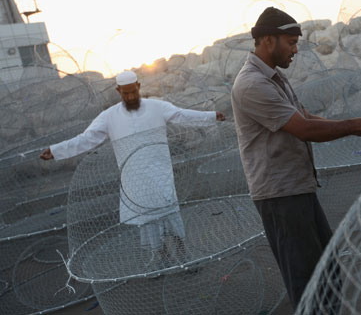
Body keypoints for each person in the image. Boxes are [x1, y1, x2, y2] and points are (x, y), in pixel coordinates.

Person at [231, 7, 361, 309]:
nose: (295, 49)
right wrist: (358, 126)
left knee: (326, 272)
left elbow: (302, 116)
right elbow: (302, 128)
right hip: (280, 196)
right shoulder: (252, 84)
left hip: (297, 188)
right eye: (290, 42)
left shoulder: (275, 78)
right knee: (306, 281)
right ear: (267, 41)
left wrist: (354, 121)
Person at [40, 70, 226, 265]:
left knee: (170, 213)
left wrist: (211, 116)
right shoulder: (109, 116)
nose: (130, 96)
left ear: (138, 86)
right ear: (118, 91)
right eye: (125, 93)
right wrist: (56, 151)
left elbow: (181, 116)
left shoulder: (157, 107)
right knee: (147, 220)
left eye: (133, 92)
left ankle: (182, 255)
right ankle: (161, 258)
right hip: (134, 178)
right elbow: (86, 139)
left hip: (160, 173)